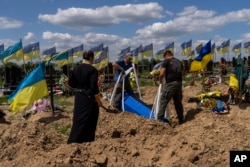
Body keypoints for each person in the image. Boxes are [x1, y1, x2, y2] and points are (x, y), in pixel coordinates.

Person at [67, 51, 102, 144]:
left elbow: (71, 83)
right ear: (91, 58)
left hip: (79, 97)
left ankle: (73, 140)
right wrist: (98, 100)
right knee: (90, 119)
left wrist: (79, 87)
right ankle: (87, 141)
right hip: (89, 98)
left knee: (78, 119)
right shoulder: (92, 70)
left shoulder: (76, 68)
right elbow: (94, 87)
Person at [157, 50, 184, 125]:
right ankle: (181, 119)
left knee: (163, 100)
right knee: (178, 102)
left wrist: (160, 81)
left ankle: (159, 120)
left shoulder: (166, 61)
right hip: (179, 83)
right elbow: (182, 73)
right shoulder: (179, 61)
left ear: (166, 55)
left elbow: (162, 73)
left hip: (171, 83)